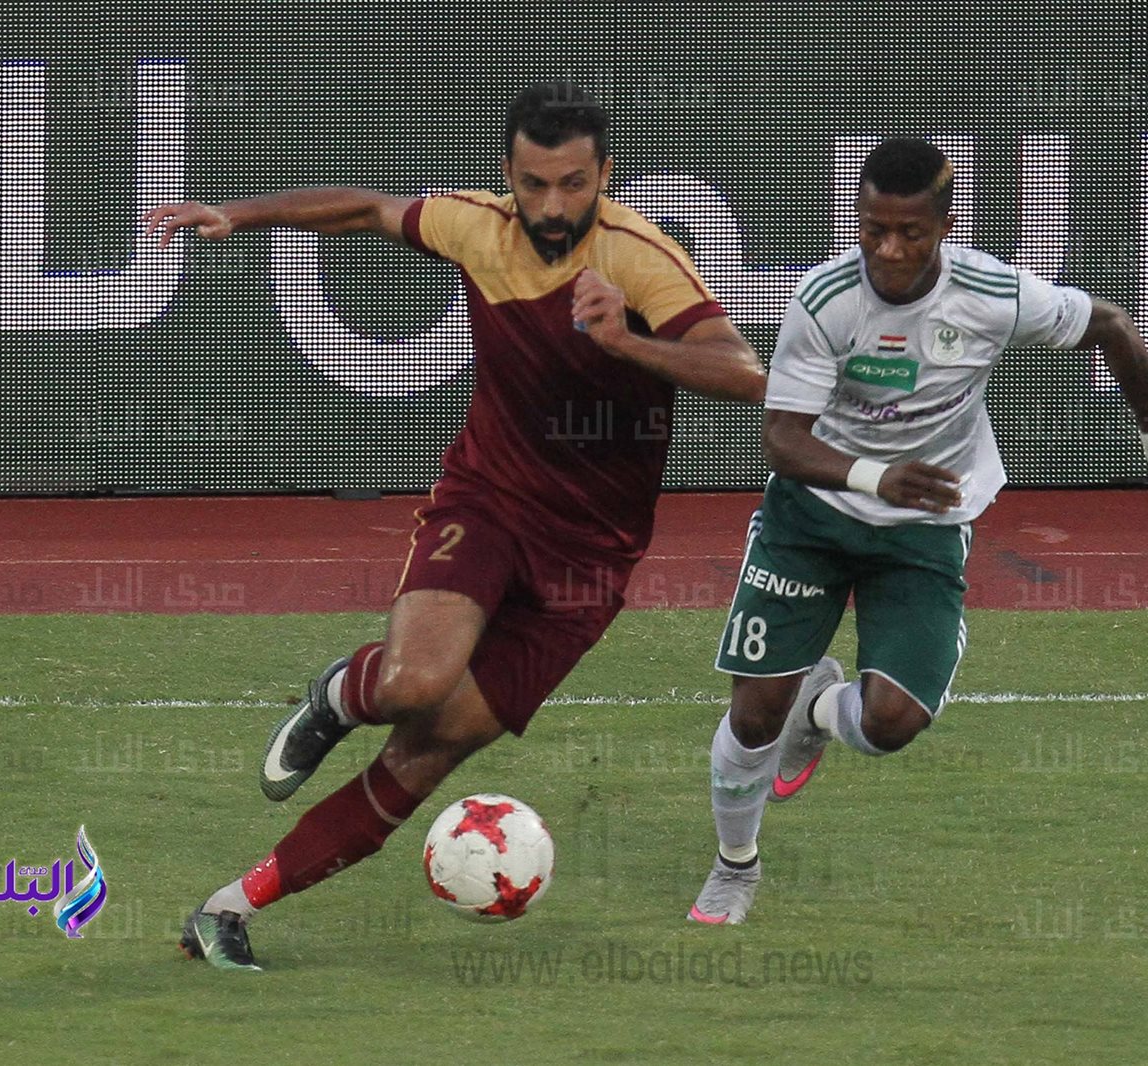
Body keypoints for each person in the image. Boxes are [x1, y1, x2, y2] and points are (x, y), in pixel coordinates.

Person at [145, 81, 765, 969]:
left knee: (425, 754)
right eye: (534, 184)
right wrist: (237, 215)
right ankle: (341, 694)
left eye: (574, 184)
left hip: (588, 565)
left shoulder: (639, 258)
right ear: (507, 175)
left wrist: (626, 341)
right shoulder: (477, 227)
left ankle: (225, 911)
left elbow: (745, 372)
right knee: (413, 684)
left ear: (605, 176)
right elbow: (365, 210)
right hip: (490, 502)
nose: (553, 207)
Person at [688, 138, 1148, 924]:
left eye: (910, 232)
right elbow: (783, 439)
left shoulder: (991, 293)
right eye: (873, 229)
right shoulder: (824, 298)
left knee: (891, 723)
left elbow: (1113, 327)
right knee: (751, 715)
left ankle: (818, 710)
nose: (889, 249)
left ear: (946, 227)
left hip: (925, 526)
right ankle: (734, 867)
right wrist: (876, 476)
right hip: (811, 519)